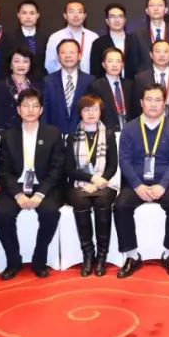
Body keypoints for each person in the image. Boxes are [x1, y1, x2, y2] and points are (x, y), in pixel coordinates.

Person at [114, 84, 169, 278]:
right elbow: (124, 160)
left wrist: (163, 185)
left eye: (158, 100)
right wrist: (137, 185)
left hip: (165, 183)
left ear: (164, 104)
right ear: (141, 102)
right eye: (149, 99)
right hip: (136, 183)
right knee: (120, 206)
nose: (153, 104)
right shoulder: (129, 128)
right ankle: (132, 256)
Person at [0, 88, 66, 280]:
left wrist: (40, 194)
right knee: (2, 216)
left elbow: (57, 169)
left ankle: (39, 260)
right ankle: (13, 261)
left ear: (41, 110)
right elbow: (4, 171)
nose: (30, 110)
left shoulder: (52, 133)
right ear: (18, 110)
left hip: (44, 186)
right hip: (16, 186)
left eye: (35, 106)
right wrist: (17, 194)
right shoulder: (8, 135)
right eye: (26, 105)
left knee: (50, 213)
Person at [65, 94, 119, 277]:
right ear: (80, 112)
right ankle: (88, 255)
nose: (91, 113)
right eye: (86, 109)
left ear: (100, 112)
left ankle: (102, 257)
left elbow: (112, 166)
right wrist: (91, 178)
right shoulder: (72, 136)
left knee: (102, 202)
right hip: (79, 183)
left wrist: (97, 184)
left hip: (104, 183)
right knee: (81, 202)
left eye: (94, 109)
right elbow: (69, 169)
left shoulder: (108, 134)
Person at [133, 39, 169, 130]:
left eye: (165, 52)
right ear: (151, 55)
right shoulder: (140, 78)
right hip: (150, 126)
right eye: (158, 51)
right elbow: (137, 107)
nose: (162, 55)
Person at [43, 39, 94, 136]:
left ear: (79, 55)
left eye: (72, 52)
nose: (68, 56)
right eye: (63, 52)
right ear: (58, 57)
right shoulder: (48, 81)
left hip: (83, 136)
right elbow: (44, 112)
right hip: (55, 136)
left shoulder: (90, 81)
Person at [0, 45, 38, 131]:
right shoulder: (0, 87)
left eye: (25, 61)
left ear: (30, 65)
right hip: (8, 133)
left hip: (32, 131)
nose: (21, 65)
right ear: (11, 65)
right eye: (16, 61)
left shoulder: (37, 87)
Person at [44, 0, 99, 74]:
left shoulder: (93, 37)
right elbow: (50, 64)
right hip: (62, 80)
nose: (76, 16)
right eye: (71, 12)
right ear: (65, 16)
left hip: (89, 80)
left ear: (84, 16)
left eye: (80, 12)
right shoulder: (55, 37)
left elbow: (97, 64)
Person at [90, 3, 142, 79]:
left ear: (125, 20)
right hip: (107, 85)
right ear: (107, 21)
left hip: (133, 84)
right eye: (112, 17)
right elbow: (95, 71)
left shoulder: (135, 40)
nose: (117, 20)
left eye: (120, 16)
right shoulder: (98, 43)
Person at [89, 47, 136, 129]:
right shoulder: (96, 86)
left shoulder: (130, 85)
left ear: (123, 65)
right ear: (104, 65)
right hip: (107, 130)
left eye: (118, 61)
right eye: (110, 61)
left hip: (129, 129)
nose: (114, 65)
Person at [137, 0, 169, 71]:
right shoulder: (137, 35)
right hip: (146, 76)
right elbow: (134, 63)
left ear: (166, 10)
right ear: (147, 11)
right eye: (152, 6)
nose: (156, 9)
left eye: (160, 5)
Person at [11, 0, 48, 74]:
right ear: (18, 15)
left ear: (37, 15)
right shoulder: (9, 38)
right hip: (18, 79)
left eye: (32, 13)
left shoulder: (46, 38)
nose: (28, 17)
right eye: (24, 13)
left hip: (41, 79)